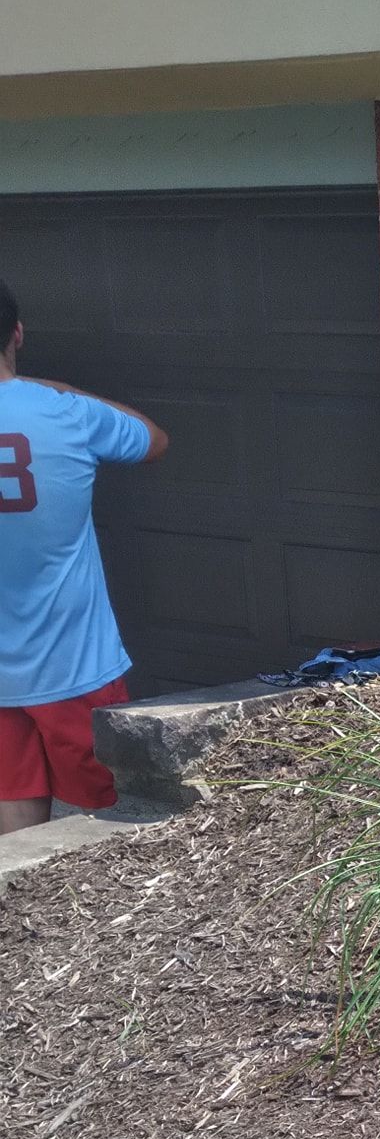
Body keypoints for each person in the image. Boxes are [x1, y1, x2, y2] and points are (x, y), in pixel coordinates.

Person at [0, 279, 168, 834]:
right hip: (74, 665)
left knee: (12, 810)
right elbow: (152, 439)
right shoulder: (65, 411)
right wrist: (60, 388)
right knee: (100, 819)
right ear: (17, 334)